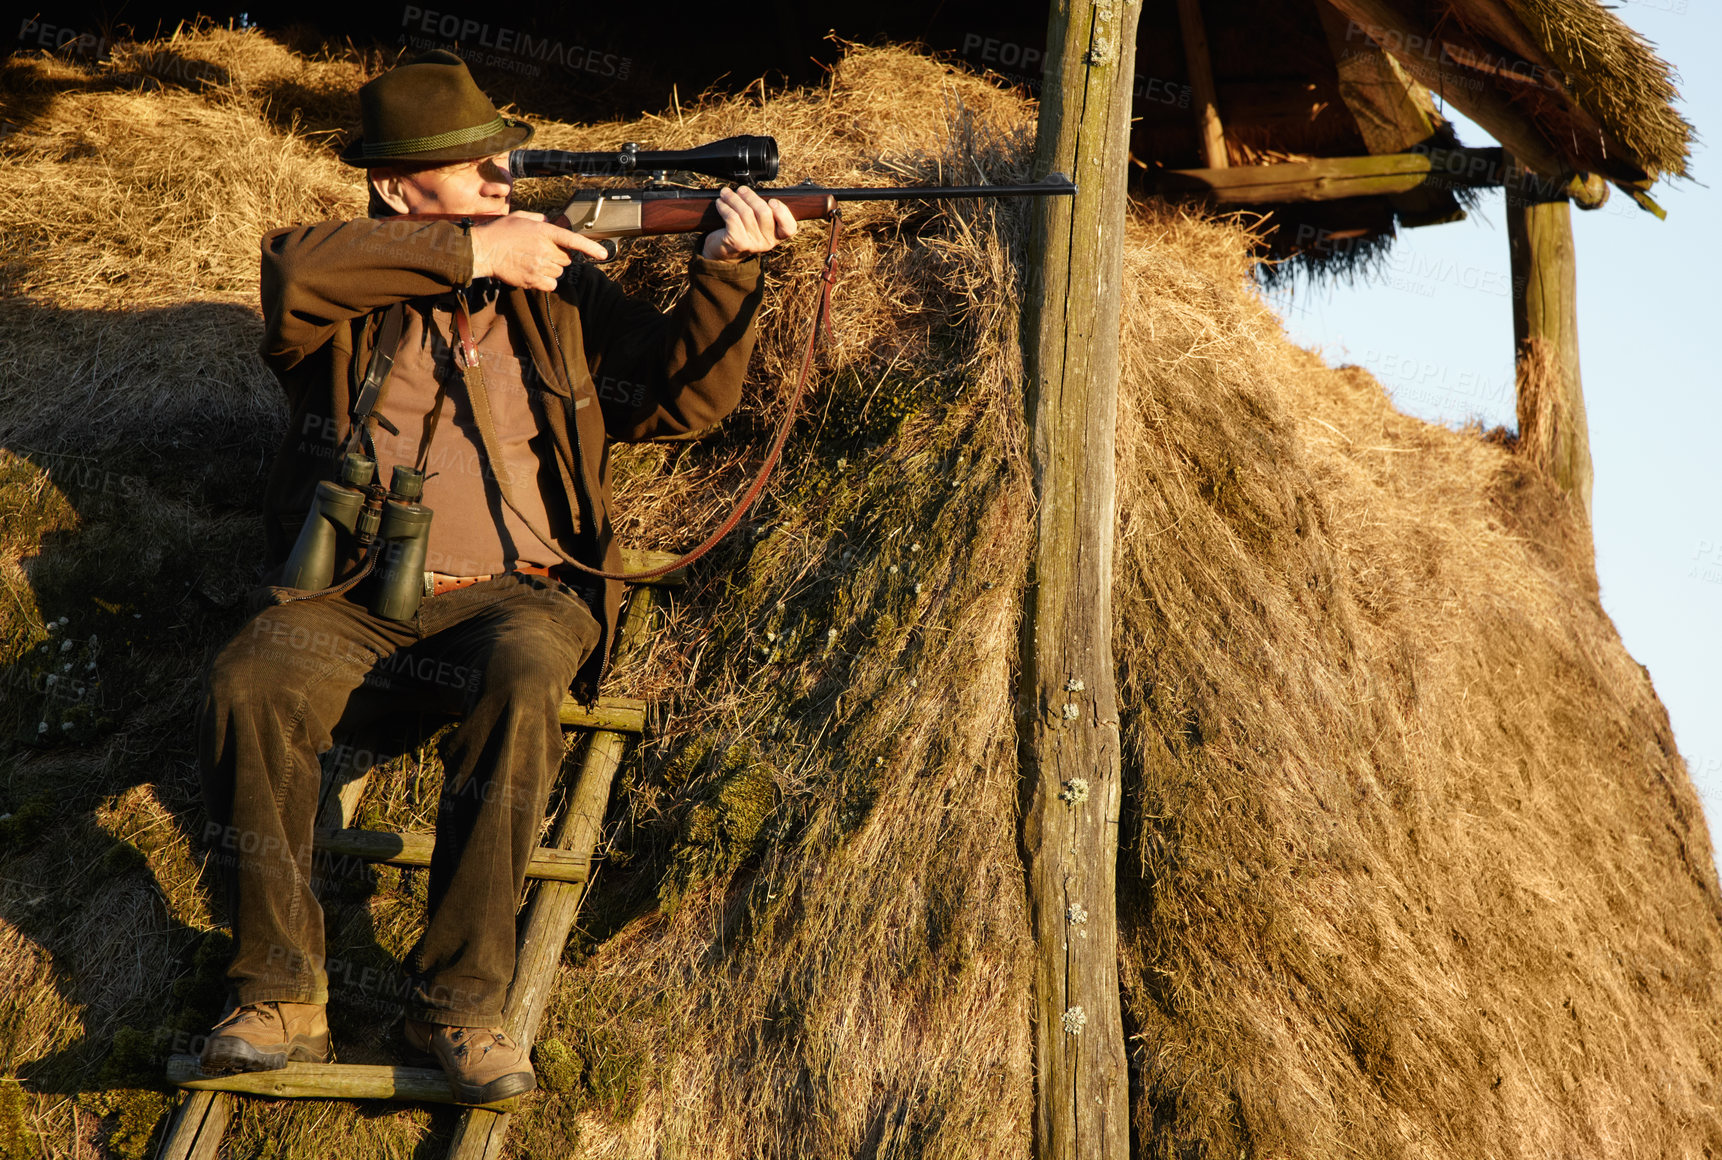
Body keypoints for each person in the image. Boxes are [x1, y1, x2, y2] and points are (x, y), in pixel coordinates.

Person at [195, 49, 795, 1104]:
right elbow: (293, 269)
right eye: (473, 171)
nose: (501, 183)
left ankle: (461, 1003)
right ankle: (277, 991)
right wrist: (474, 247)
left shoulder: (562, 291)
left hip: (521, 588)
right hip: (351, 595)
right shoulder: (344, 296)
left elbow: (677, 404)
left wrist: (728, 269)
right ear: (395, 188)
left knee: (524, 676)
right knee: (253, 680)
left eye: (501, 165)